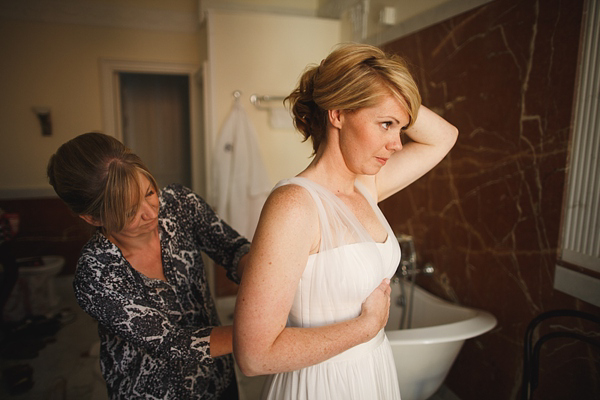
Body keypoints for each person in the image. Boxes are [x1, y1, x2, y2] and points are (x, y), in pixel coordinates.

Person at [233, 43, 458, 399]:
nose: (398, 143)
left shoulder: (364, 187)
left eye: (400, 127)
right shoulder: (295, 205)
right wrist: (365, 327)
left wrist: (384, 85)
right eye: (386, 124)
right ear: (337, 113)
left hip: (372, 373)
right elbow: (254, 355)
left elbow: (445, 136)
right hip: (319, 386)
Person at [47, 132, 250, 399]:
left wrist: (263, 277)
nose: (151, 212)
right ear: (93, 218)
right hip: (151, 392)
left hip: (216, 377)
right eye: (129, 211)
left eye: (149, 192)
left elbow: (233, 249)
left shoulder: (178, 205)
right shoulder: (97, 275)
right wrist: (257, 331)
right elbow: (173, 343)